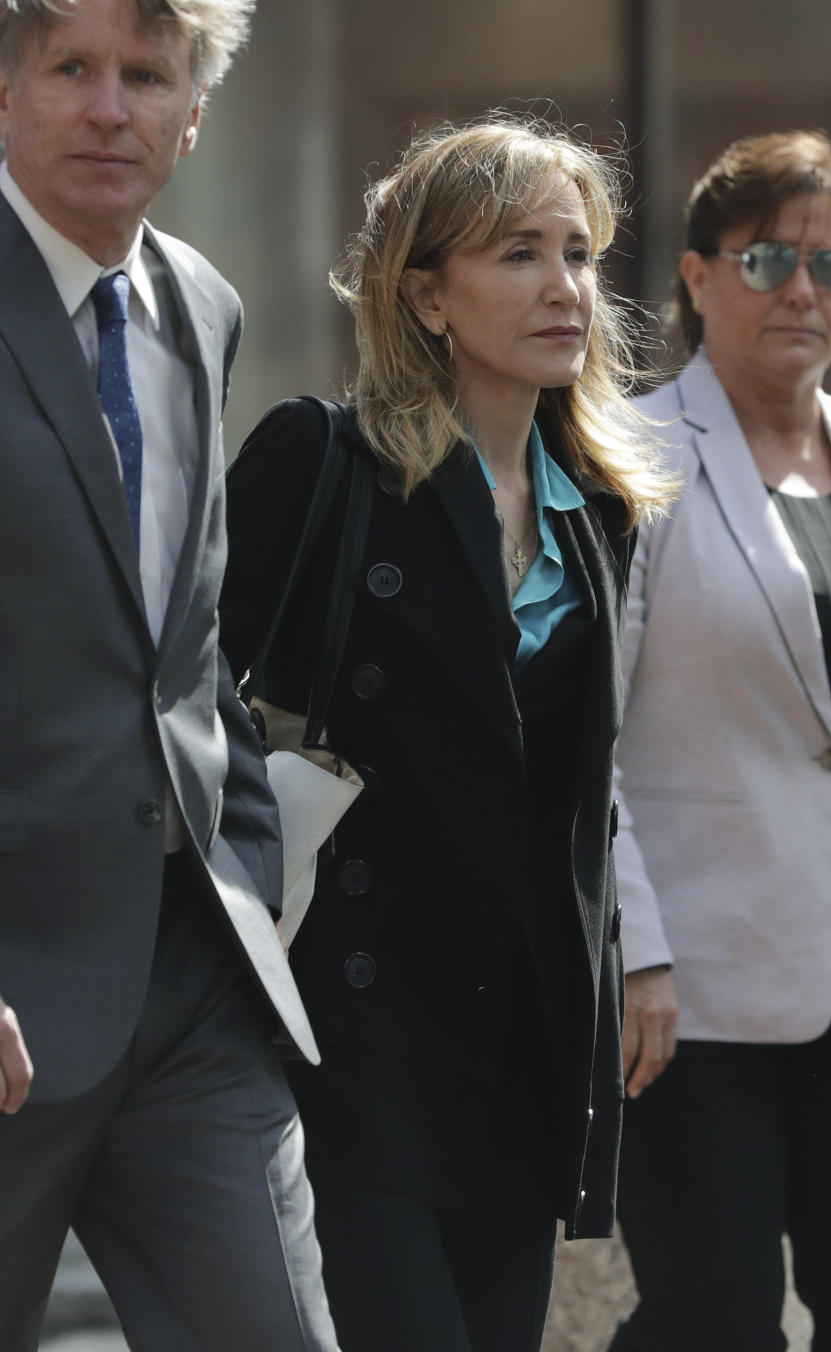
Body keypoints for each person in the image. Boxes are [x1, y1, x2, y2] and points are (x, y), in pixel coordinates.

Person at [220, 116, 677, 1352]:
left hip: (524, 1037)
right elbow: (189, 703)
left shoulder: (602, 514)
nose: (565, 286)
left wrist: (629, 953)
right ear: (425, 293)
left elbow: (583, 787)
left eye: (578, 252)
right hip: (356, 1027)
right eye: (518, 253)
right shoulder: (321, 460)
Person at [0, 2, 340, 1349]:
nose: (109, 107)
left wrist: (247, 883)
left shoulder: (203, 304)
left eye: (146, 75)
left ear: (192, 111)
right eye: (70, 70)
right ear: (5, 92)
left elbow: (182, 650)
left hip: (191, 983)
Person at [608, 129, 831, 1352]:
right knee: (714, 1319)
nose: (805, 289)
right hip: (693, 987)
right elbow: (580, 735)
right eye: (766, 259)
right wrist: (631, 944)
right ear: (698, 277)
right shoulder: (629, 455)